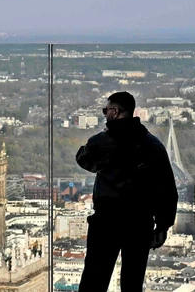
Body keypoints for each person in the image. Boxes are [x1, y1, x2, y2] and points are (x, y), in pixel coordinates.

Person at [75, 91, 178, 292]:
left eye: (106, 110)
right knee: (132, 282)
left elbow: (83, 158)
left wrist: (104, 135)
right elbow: (166, 189)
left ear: (115, 112)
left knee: (94, 280)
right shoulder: (153, 145)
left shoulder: (102, 142)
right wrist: (163, 226)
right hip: (140, 223)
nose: (105, 114)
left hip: (107, 221)